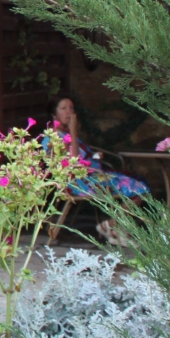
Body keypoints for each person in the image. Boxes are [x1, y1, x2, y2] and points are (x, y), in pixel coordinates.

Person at [51, 96, 151, 243]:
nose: (69, 112)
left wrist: (93, 157)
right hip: (77, 182)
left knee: (139, 184)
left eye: (71, 108)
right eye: (63, 108)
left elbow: (82, 158)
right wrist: (73, 131)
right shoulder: (55, 137)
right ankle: (111, 226)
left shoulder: (67, 134)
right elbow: (74, 162)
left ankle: (116, 229)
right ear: (54, 114)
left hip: (92, 176)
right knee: (139, 188)